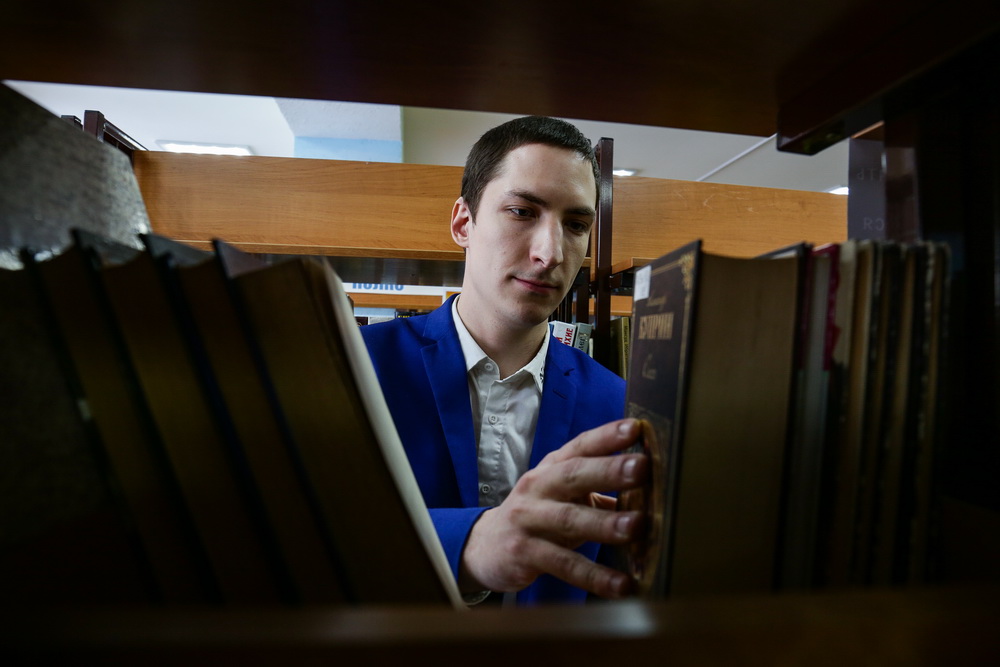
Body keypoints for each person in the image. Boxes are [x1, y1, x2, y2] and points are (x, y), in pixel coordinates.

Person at [361, 116, 646, 605]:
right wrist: (468, 545)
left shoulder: (616, 405)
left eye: (576, 225)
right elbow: (304, 530)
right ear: (463, 223)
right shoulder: (355, 367)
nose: (550, 253)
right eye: (521, 211)